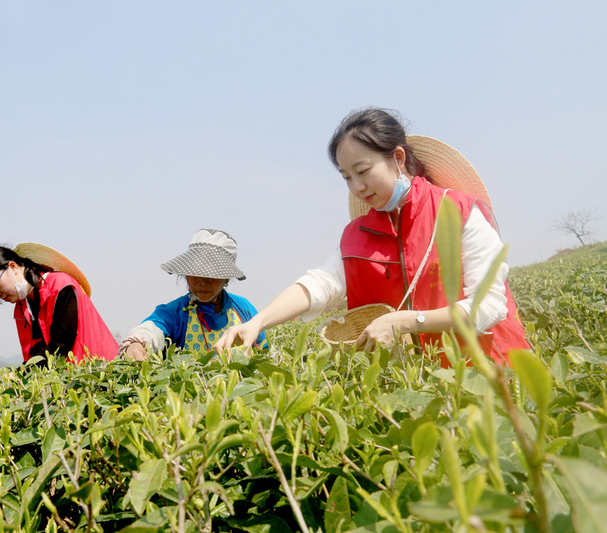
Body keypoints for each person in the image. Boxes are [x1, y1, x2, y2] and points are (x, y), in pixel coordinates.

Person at [215, 108, 529, 367]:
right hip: (414, 387)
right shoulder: (357, 235)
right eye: (347, 177)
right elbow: (320, 284)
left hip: (486, 372)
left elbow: (488, 306)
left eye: (363, 171)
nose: (357, 187)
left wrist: (407, 321)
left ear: (398, 159)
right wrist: (258, 322)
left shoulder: (459, 213)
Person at [119, 229, 268, 360]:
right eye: (195, 273)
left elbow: (263, 354)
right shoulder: (175, 313)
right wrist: (136, 345)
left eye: (212, 274)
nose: (202, 281)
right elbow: (152, 328)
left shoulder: (244, 309)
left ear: (226, 278)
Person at [0, 243, 119, 364]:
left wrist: (21, 373)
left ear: (12, 267)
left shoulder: (60, 285)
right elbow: (33, 355)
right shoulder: (21, 309)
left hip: (101, 371)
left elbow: (60, 347)